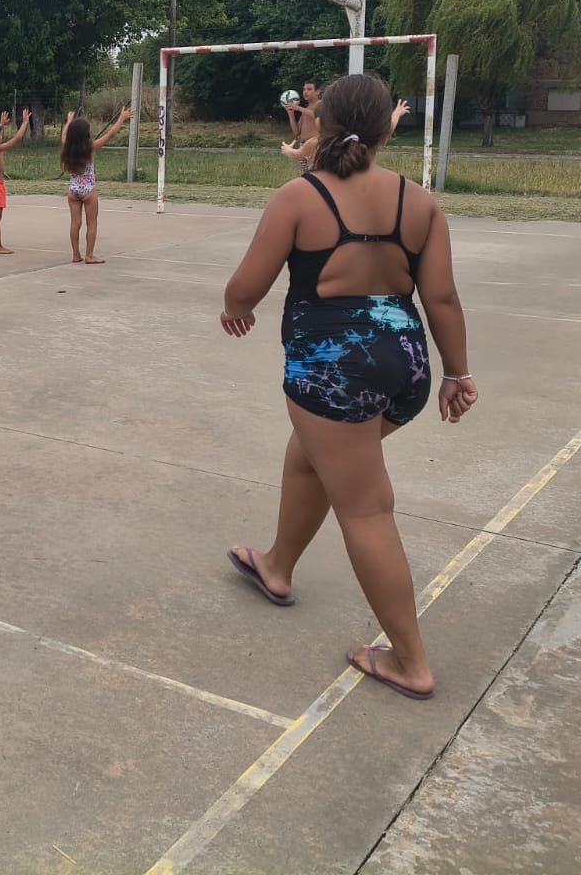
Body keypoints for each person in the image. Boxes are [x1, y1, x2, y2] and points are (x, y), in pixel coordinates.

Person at [220, 72, 478, 702]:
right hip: (405, 366)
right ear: (388, 128)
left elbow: (246, 285)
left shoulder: (300, 196)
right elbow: (442, 298)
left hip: (334, 373)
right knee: (308, 457)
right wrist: (457, 372)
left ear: (321, 123)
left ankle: (410, 661)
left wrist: (235, 308)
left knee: (365, 506)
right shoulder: (419, 202)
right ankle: (276, 566)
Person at [59, 107, 133, 264]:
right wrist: (121, 118)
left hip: (73, 189)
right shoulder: (90, 147)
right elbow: (110, 134)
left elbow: (63, 135)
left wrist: (69, 122)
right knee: (92, 223)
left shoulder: (67, 147)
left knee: (75, 223)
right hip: (88, 190)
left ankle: (75, 254)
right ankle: (89, 255)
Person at [282, 98, 409, 172]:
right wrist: (397, 113)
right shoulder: (360, 139)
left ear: (318, 123)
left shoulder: (316, 143)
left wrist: (287, 149)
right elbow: (387, 128)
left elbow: (296, 154)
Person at [0, 109, 32, 253]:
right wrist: (25, 122)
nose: (1, 136)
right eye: (0, 134)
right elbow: (17, 138)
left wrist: (0, 124)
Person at [284, 79, 322, 146]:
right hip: (303, 145)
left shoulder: (321, 104)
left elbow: (317, 116)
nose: (305, 92)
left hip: (315, 145)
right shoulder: (305, 110)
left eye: (309, 89)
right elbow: (296, 132)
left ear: (317, 92)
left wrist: (298, 108)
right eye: (304, 89)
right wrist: (291, 114)